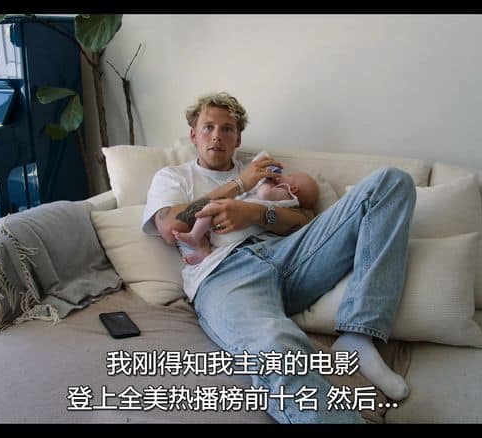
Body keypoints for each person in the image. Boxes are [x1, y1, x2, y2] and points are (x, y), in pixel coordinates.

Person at [142, 92, 416, 423]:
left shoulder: (262, 170)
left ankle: (358, 335)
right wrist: (238, 184)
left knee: (391, 182)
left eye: (227, 129)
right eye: (208, 127)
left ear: (238, 138)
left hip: (290, 256)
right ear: (193, 134)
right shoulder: (173, 176)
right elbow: (170, 226)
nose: (217, 136)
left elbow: (305, 218)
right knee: (275, 348)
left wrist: (256, 213)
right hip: (224, 275)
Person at [172, 155, 320, 265]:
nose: (283, 175)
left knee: (209, 208)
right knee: (207, 215)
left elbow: (264, 194)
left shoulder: (285, 194)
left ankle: (195, 237)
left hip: (239, 234)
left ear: (294, 188)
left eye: (289, 176)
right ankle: (203, 250)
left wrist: (267, 180)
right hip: (228, 232)